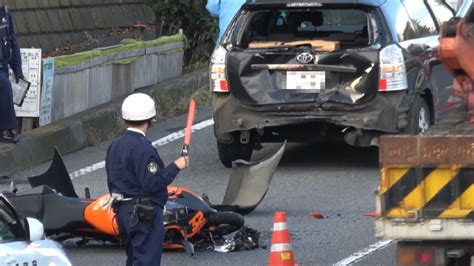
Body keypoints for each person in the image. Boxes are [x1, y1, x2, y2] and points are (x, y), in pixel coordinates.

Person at [106, 93, 189, 266]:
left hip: (122, 211)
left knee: (134, 259)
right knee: (147, 261)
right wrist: (176, 165)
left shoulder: (115, 145)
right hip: (144, 213)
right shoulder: (143, 148)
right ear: (150, 119)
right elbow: (152, 182)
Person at [0, 6, 23, 143]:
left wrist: (18, 70)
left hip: (3, 66)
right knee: (5, 85)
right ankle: (5, 128)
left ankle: (7, 128)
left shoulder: (6, 15)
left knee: (7, 85)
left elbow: (13, 43)